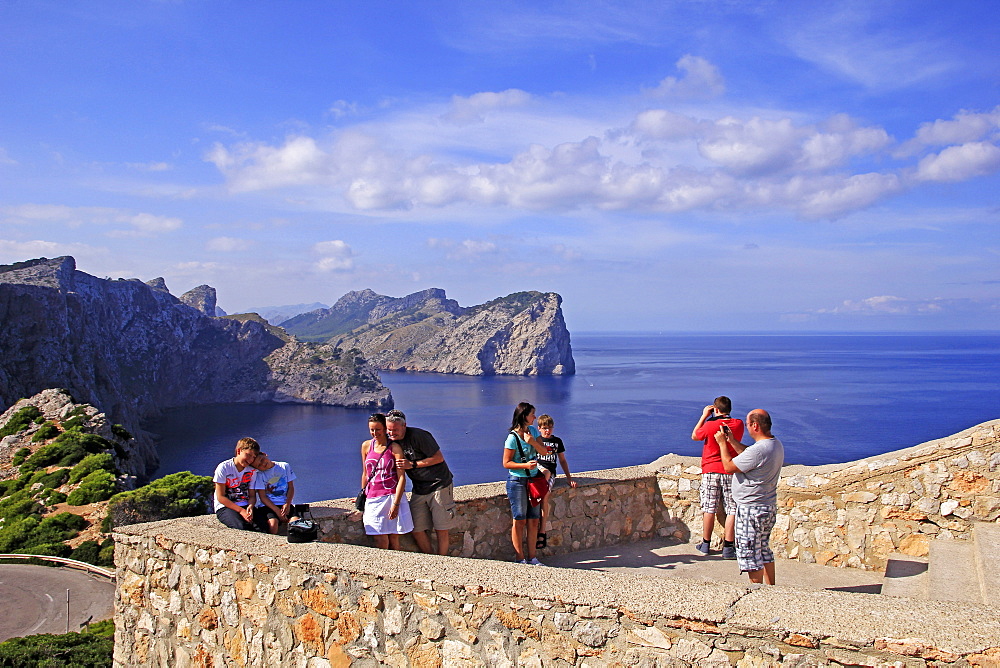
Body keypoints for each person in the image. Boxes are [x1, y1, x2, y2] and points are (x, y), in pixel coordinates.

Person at [714, 409, 784, 585]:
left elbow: (729, 467)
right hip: (767, 506)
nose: (747, 428)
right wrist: (732, 441)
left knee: (750, 553)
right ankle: (771, 589)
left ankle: (757, 594)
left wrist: (723, 444)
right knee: (763, 550)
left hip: (751, 509)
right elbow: (750, 456)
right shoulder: (774, 445)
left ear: (755, 425)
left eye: (747, 424)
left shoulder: (760, 450)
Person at [388, 409, 455, 555]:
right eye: (389, 430)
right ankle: (430, 557)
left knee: (441, 528)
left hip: (439, 485)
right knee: (416, 528)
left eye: (395, 430)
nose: (392, 433)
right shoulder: (391, 444)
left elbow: (438, 458)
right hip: (419, 489)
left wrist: (413, 465)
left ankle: (442, 562)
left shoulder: (419, 436)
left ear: (404, 426)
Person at [690, 396, 745, 558]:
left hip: (711, 470)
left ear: (715, 409)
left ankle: (705, 544)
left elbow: (695, 436)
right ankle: (728, 547)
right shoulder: (738, 424)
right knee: (732, 509)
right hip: (730, 469)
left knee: (709, 508)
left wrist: (704, 416)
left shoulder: (710, 425)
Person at [503, 402, 549, 565]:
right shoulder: (512, 438)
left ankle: (532, 557)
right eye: (532, 415)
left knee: (533, 519)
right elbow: (506, 463)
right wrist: (524, 465)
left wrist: (533, 442)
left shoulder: (534, 432)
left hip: (533, 480)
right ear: (524, 416)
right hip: (517, 481)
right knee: (520, 519)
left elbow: (544, 451)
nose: (535, 418)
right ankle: (519, 557)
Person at [361, 413, 414, 549]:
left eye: (377, 429)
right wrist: (362, 495)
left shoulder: (394, 448)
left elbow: (401, 477)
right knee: (380, 540)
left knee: (394, 539)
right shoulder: (366, 446)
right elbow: (366, 473)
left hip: (391, 497)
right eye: (372, 429)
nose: (374, 433)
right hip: (373, 498)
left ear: (385, 429)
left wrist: (396, 504)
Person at [534, 413, 577, 550]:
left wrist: (569, 478)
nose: (548, 430)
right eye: (545, 428)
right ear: (539, 428)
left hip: (550, 473)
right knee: (543, 472)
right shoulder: (535, 440)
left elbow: (562, 460)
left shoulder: (557, 441)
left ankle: (542, 530)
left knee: (545, 497)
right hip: (537, 470)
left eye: (550, 428)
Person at [213, 437, 262, 531]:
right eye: (248, 455)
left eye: (254, 457)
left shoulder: (251, 471)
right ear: (239, 451)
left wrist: (250, 507)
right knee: (241, 527)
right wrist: (241, 511)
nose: (251, 460)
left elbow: (252, 495)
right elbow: (221, 497)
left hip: (245, 504)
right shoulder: (224, 468)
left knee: (262, 527)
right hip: (225, 506)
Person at [251, 451, 298, 535]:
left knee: (296, 523)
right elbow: (263, 497)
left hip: (285, 503)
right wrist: (277, 511)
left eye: (262, 460)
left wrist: (287, 503)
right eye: (259, 465)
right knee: (273, 523)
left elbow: (291, 487)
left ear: (265, 455)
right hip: (268, 506)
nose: (263, 464)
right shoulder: (259, 475)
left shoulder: (284, 466)